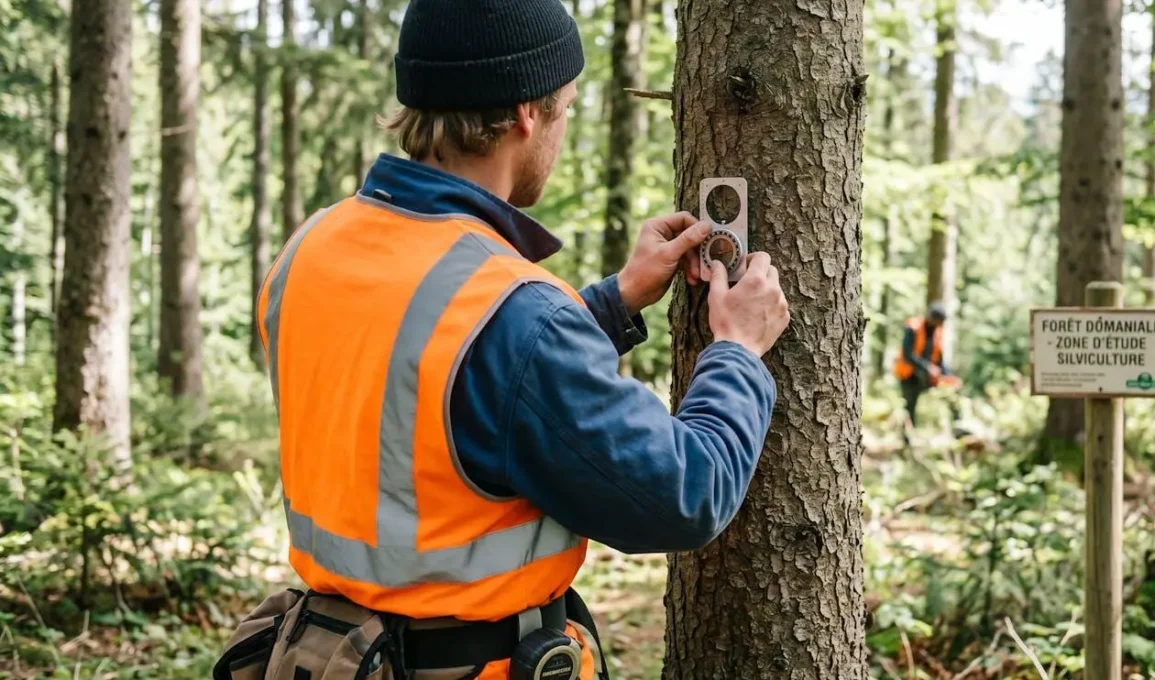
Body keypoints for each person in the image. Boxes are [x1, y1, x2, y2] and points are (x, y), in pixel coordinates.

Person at [213, 1, 790, 679]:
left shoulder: (311, 249)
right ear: (525, 114)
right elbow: (683, 494)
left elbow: (431, 391)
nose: (562, 129)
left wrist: (612, 300)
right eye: (565, 109)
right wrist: (737, 352)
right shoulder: (513, 315)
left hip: (328, 655)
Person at [894, 302, 952, 429]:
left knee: (947, 396)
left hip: (926, 376)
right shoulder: (913, 327)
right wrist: (928, 367)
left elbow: (939, 357)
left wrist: (948, 375)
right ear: (932, 317)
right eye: (938, 320)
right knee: (910, 405)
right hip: (908, 374)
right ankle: (908, 437)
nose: (939, 324)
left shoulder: (938, 332)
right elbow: (907, 354)